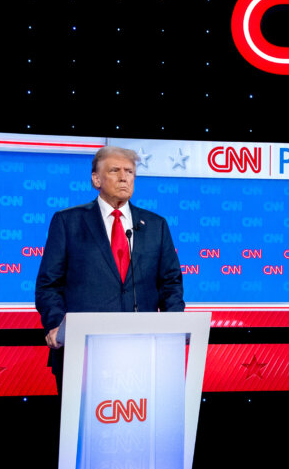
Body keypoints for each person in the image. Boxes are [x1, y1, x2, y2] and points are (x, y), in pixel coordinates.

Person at [35, 146, 185, 389]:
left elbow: (171, 283)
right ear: (96, 179)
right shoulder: (68, 221)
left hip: (142, 350)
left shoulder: (156, 225)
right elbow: (48, 284)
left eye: (130, 171)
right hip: (83, 349)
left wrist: (173, 328)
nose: (124, 177)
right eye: (114, 170)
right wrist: (56, 325)